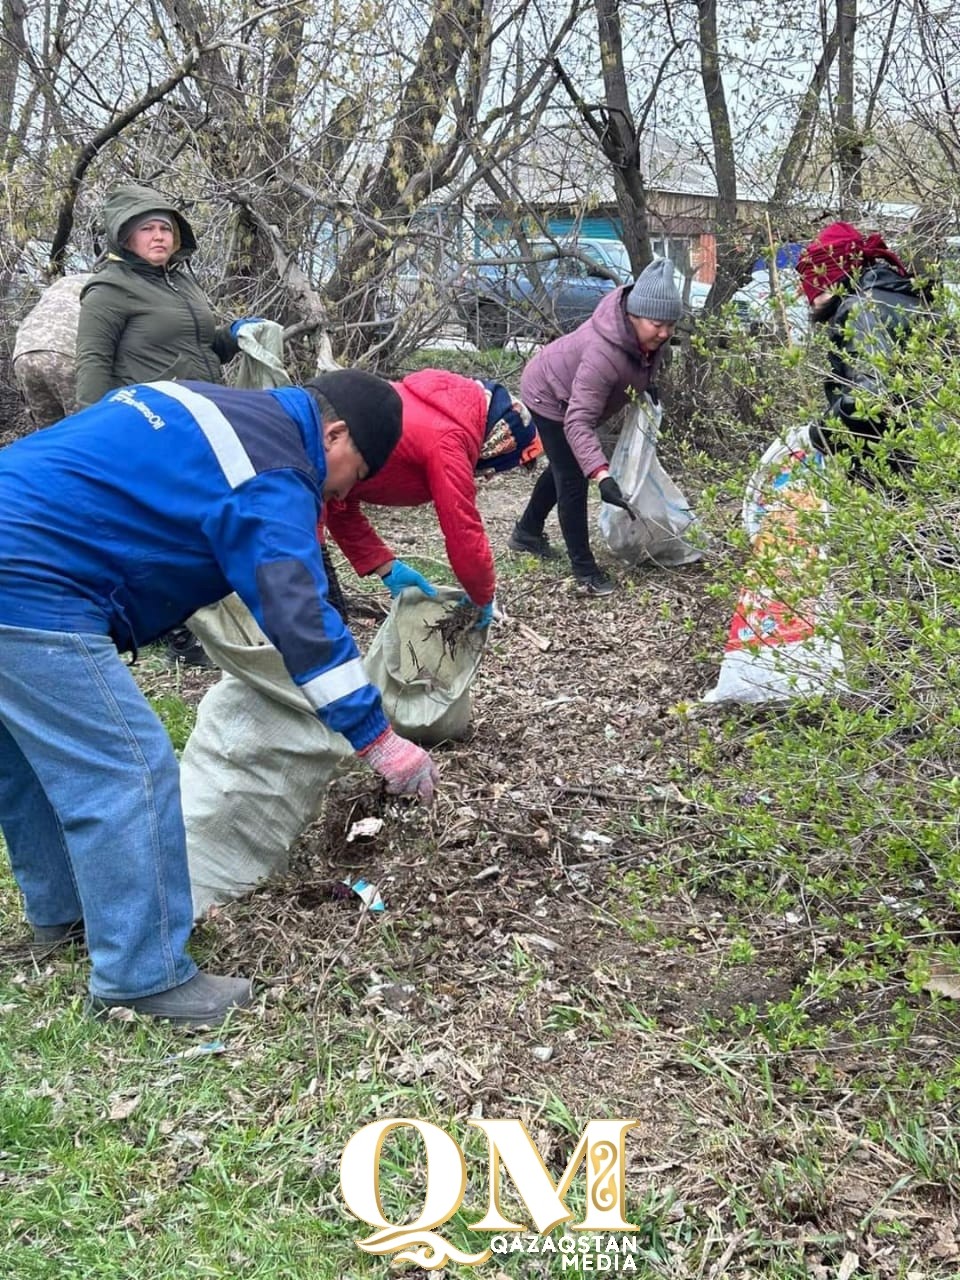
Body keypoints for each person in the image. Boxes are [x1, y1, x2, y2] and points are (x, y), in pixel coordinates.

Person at [0, 370, 438, 1026]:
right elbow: (298, 617)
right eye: (357, 471)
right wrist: (377, 739)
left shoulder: (212, 407)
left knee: (32, 762)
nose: (346, 488)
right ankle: (142, 978)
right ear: (335, 434)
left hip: (17, 534)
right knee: (131, 770)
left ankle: (64, 918)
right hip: (27, 581)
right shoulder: (270, 471)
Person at [77, 182, 257, 666]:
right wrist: (95, 434)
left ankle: (210, 612)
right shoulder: (108, 290)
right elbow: (92, 364)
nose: (159, 237)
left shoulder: (180, 281)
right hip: (148, 424)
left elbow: (201, 348)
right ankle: (170, 629)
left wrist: (234, 336)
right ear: (124, 237)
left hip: (198, 416)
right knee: (159, 524)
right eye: (146, 229)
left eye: (165, 228)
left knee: (203, 516)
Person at [508, 258, 683, 596]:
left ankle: (527, 533)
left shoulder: (647, 339)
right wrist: (601, 475)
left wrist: (645, 386)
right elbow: (578, 421)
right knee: (573, 479)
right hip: (549, 396)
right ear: (633, 315)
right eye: (657, 324)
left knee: (563, 468)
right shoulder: (603, 353)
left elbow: (641, 362)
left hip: (571, 399)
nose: (664, 333)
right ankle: (584, 570)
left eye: (670, 325)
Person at [324, 368, 541, 626]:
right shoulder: (448, 439)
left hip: (303, 489)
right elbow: (463, 531)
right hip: (291, 495)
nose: (490, 475)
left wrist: (385, 566)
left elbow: (337, 501)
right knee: (320, 629)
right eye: (497, 466)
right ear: (498, 442)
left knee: (322, 624)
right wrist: (482, 596)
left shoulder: (437, 410)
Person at [797, 221, 930, 476]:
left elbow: (870, 396)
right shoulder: (897, 293)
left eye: (814, 290)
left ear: (832, 280)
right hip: (933, 451)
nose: (811, 301)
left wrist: (820, 433)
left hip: (907, 463)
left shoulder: (862, 310)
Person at [12, 274, 91, 429]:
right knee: (84, 428)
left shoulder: (66, 281)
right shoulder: (109, 286)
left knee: (49, 432)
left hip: (25, 351)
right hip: (66, 353)